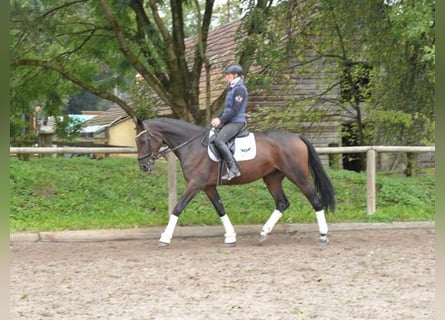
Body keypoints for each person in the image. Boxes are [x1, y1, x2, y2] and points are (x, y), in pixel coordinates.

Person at [210, 63, 248, 180]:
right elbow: (227, 109)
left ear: (235, 75)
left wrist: (220, 120)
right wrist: (218, 119)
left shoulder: (240, 89)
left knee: (219, 140)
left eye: (228, 75)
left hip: (237, 121)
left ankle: (234, 168)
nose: (226, 77)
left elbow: (235, 110)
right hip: (230, 120)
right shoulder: (231, 88)